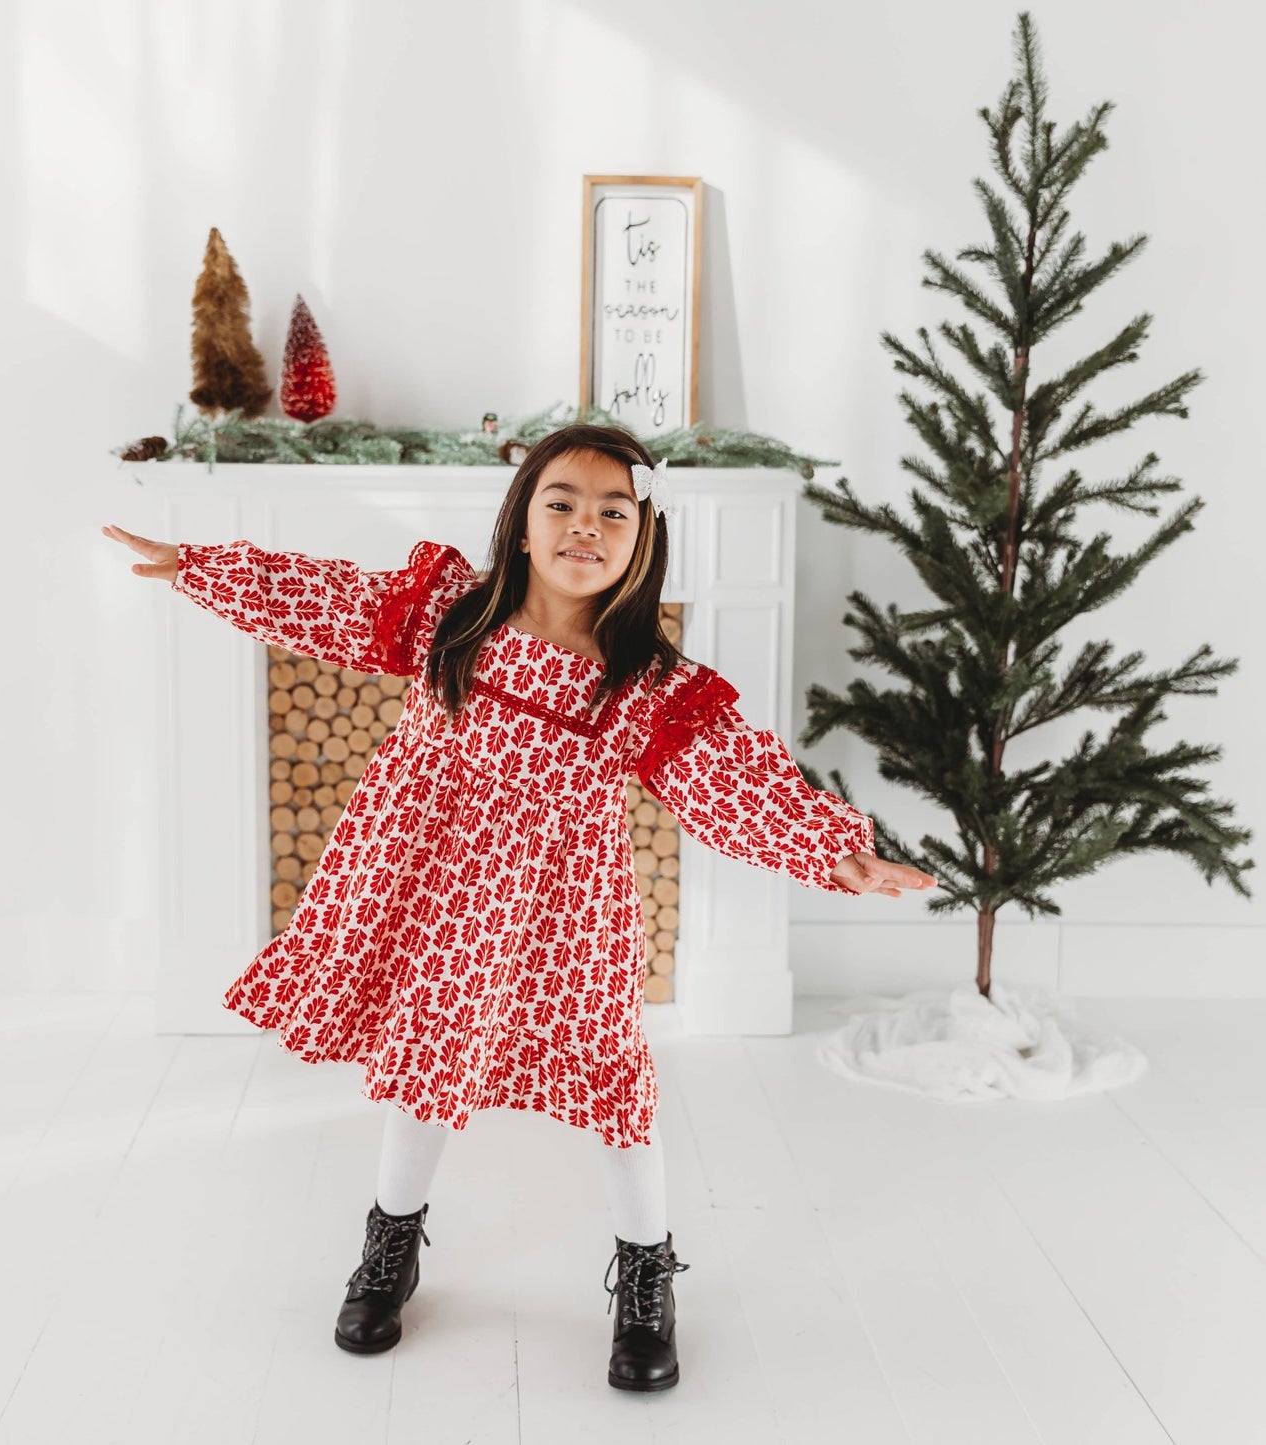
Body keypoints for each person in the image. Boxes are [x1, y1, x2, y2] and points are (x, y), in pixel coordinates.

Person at [102, 421, 935, 1393]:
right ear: (523, 520)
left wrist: (832, 851)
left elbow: (730, 780)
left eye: (613, 512)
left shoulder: (644, 683)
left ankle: (644, 1276)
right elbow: (328, 598)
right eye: (562, 503)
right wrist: (200, 567)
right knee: (426, 1058)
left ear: (643, 535)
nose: (586, 525)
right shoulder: (448, 616)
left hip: (564, 906)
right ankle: (389, 1246)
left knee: (612, 1085)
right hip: (436, 885)